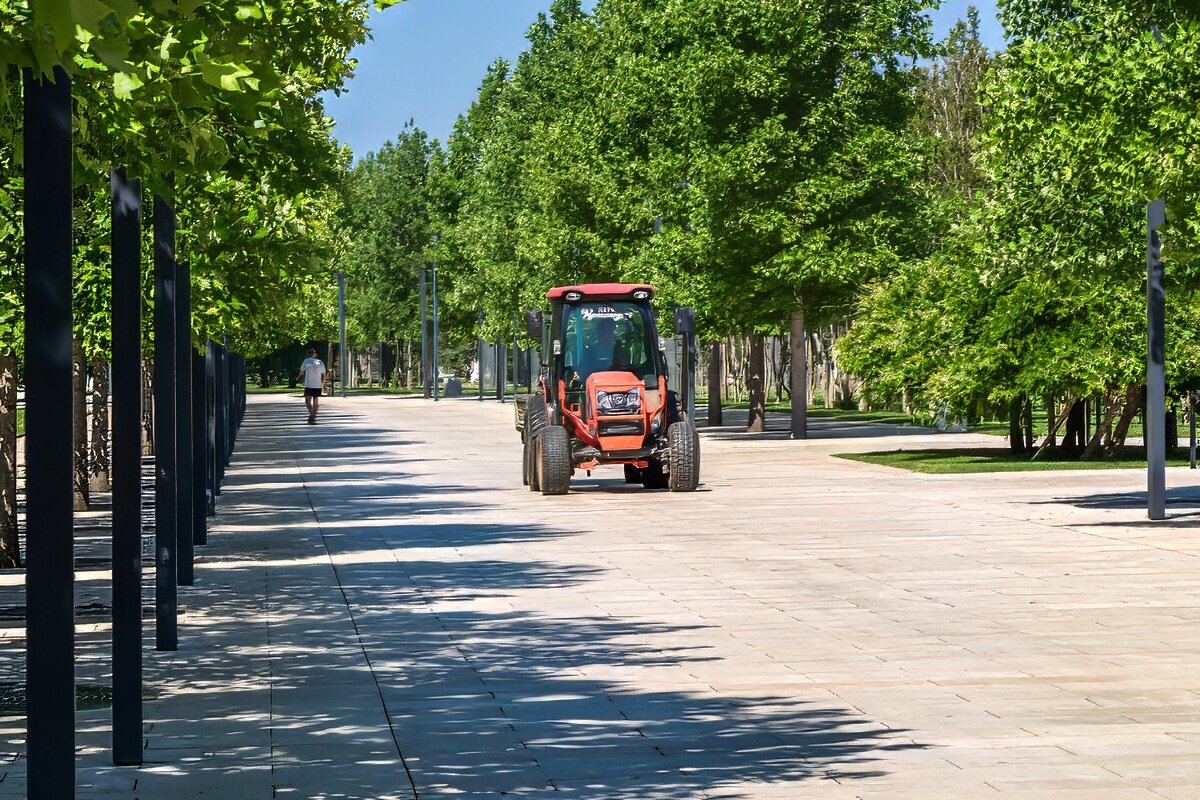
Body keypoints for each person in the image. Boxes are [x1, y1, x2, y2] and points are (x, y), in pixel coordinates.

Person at [297, 348, 327, 424]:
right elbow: (324, 374)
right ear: (315, 354)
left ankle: (311, 414)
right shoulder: (320, 362)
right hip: (317, 384)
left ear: (309, 354)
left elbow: (302, 372)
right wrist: (324, 383)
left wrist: (299, 376)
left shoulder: (306, 361)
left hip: (309, 384)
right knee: (315, 399)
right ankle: (313, 415)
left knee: (307, 400)